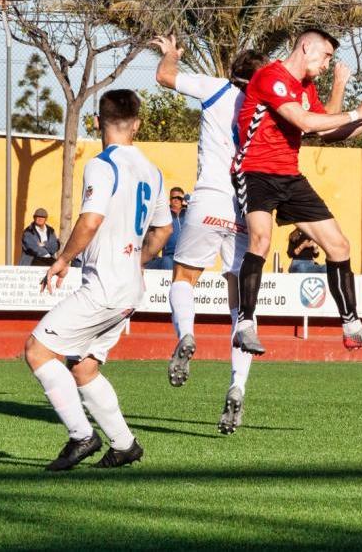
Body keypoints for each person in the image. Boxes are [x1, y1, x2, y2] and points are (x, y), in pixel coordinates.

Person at [24, 88, 172, 470]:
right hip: (130, 287)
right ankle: (124, 445)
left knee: (38, 351)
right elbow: (162, 232)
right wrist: (136, 259)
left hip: (104, 286)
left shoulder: (103, 165)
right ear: (137, 124)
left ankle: (82, 436)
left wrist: (63, 259)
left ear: (96, 122)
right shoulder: (154, 173)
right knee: (85, 368)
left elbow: (91, 220)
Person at [230, 28, 362, 354]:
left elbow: (329, 131)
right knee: (261, 240)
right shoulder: (270, 76)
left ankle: (352, 327)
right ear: (306, 47)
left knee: (339, 245)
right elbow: (304, 122)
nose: (326, 65)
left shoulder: (305, 88)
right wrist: (356, 111)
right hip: (255, 171)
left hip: (289, 175)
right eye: (326, 57)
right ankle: (246, 324)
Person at [151, 34, 267, 435]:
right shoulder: (269, 109)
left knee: (183, 278)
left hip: (209, 200)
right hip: (245, 208)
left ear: (232, 73)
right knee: (242, 305)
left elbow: (164, 77)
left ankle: (186, 334)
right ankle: (237, 385)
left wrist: (171, 54)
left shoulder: (216, 88)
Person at [144, 186, 186, 270]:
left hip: (185, 255)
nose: (176, 199)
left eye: (179, 197)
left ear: (183, 200)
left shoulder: (188, 214)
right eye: (173, 197)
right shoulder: (164, 214)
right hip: (170, 255)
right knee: (166, 262)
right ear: (170, 199)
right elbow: (153, 232)